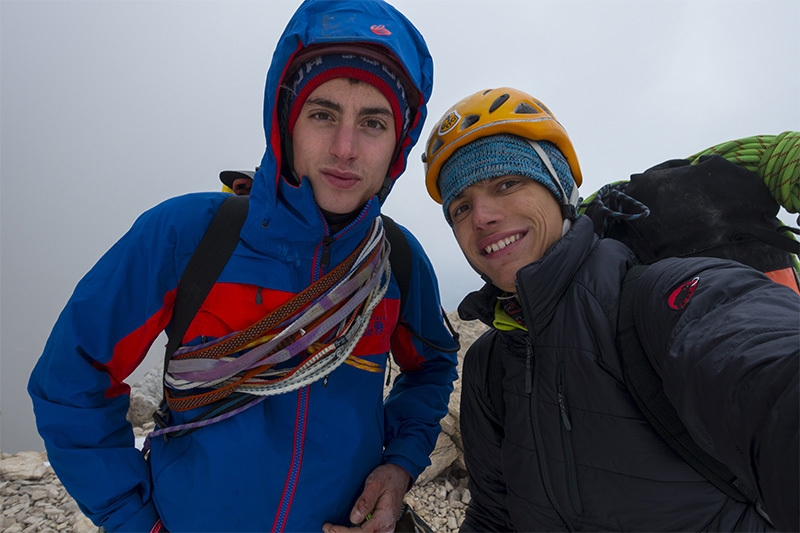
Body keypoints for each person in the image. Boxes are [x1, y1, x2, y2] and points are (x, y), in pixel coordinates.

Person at [28, 1, 458, 531]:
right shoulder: (189, 237)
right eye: (322, 114)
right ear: (286, 123)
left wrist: (400, 465)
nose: (345, 148)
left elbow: (433, 365)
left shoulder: (398, 263)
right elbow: (70, 379)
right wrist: (133, 519)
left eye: (373, 122)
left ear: (398, 143)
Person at [422, 87, 799, 532]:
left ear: (560, 189)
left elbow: (764, 371)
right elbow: (493, 518)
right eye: (461, 206)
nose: (481, 216)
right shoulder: (489, 365)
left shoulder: (658, 298)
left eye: (506, 183)